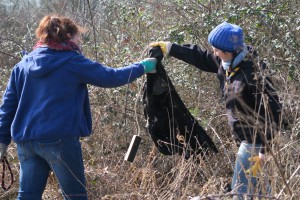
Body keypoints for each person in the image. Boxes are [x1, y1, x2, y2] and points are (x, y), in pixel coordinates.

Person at [0, 15, 156, 200]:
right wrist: (142, 67)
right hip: (59, 140)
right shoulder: (72, 61)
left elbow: (7, 106)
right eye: (77, 38)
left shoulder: (22, 66)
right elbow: (110, 77)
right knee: (75, 196)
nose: (79, 42)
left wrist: (2, 141)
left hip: (26, 142)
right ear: (68, 36)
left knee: (27, 197)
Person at [150, 22, 281, 199]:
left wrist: (264, 151)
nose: (214, 53)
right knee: (258, 192)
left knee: (241, 192)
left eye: (217, 50)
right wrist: (170, 48)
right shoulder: (227, 62)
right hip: (244, 140)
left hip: (254, 144)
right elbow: (201, 57)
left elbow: (274, 112)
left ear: (230, 51)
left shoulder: (253, 74)